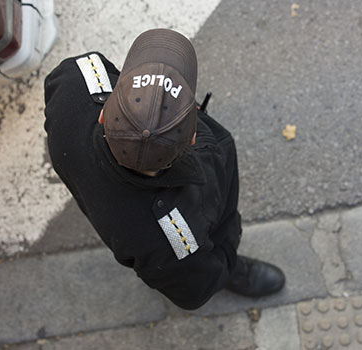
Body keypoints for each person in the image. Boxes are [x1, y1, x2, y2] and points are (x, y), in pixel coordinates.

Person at [44, 28, 285, 310]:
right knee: (213, 244)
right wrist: (226, 254)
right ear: (193, 138)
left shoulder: (77, 77)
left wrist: (139, 109)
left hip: (99, 194)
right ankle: (232, 271)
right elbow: (195, 290)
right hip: (184, 237)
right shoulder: (174, 237)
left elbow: (78, 76)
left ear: (102, 114)